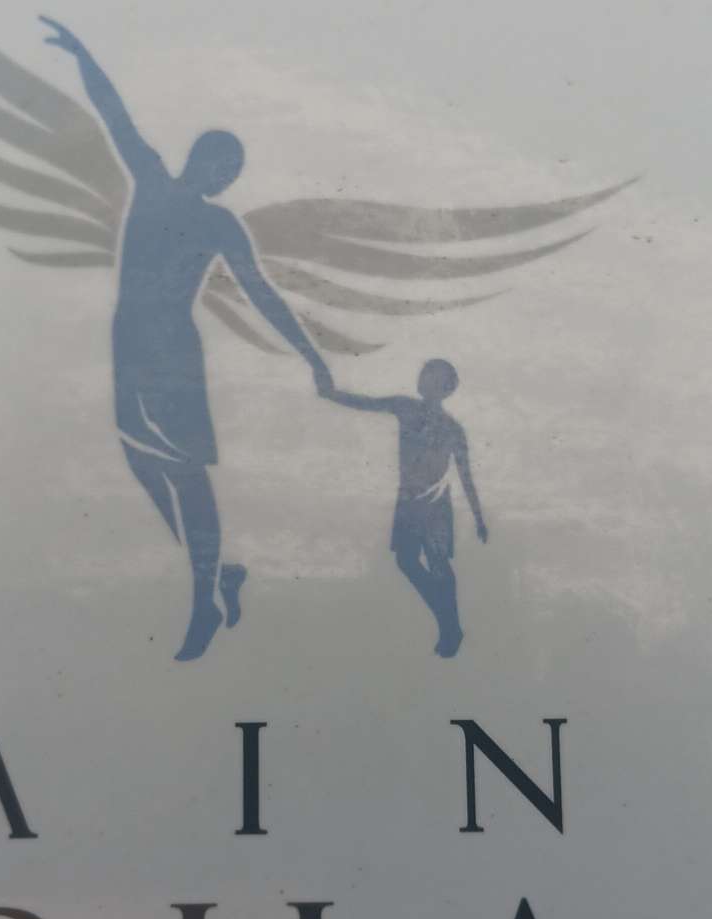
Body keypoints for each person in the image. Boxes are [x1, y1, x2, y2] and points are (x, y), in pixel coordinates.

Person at [42, 17, 335, 661]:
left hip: (172, 348)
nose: (225, 179)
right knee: (142, 463)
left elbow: (262, 294)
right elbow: (114, 116)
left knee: (186, 471)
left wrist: (311, 354)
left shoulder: (220, 224)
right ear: (200, 159)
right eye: (222, 166)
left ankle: (204, 600)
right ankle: (219, 572)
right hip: (130, 342)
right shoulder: (150, 180)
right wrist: (84, 53)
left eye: (232, 173)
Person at [321, 359, 487, 657]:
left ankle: (450, 626)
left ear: (445, 387)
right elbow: (366, 403)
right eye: (424, 374)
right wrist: (332, 394)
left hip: (435, 503)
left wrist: (479, 518)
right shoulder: (405, 406)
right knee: (406, 561)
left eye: (431, 376)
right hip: (408, 501)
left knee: (438, 564)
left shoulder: (453, 429)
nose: (422, 379)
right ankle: (448, 621)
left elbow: (466, 477)